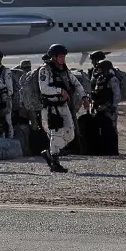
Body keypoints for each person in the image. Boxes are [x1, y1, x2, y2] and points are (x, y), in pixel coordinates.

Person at [38, 44, 87, 173]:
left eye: (64, 57)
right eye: (60, 57)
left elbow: (76, 83)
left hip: (63, 106)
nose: (63, 59)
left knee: (70, 134)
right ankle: (55, 161)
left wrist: (84, 97)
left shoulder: (64, 69)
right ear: (53, 57)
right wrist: (60, 91)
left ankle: (49, 153)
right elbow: (44, 89)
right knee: (56, 133)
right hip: (51, 108)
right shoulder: (45, 70)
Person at [89, 59, 121, 155]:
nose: (98, 70)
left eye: (100, 68)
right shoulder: (99, 79)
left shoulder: (112, 79)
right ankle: (104, 148)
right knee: (102, 128)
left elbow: (117, 94)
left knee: (112, 128)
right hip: (100, 107)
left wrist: (113, 106)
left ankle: (113, 150)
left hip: (109, 108)